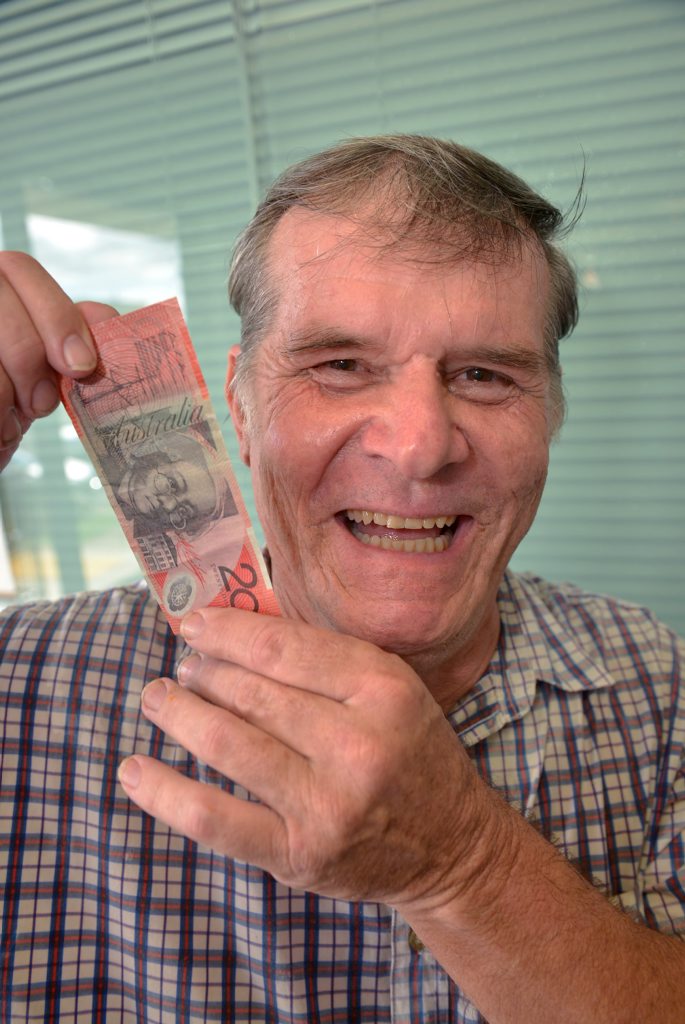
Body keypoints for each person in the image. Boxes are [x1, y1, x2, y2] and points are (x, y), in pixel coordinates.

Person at [0, 135, 683, 1024]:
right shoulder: (20, 684)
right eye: (339, 366)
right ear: (240, 406)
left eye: (484, 375)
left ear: (550, 414)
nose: (419, 448)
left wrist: (464, 866)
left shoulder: (658, 684)